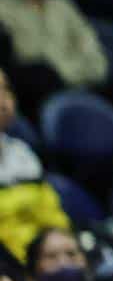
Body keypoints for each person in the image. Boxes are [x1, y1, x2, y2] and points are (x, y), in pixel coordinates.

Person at [0, 69, 66, 262]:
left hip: (42, 259)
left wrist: (62, 246)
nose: (3, 100)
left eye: (6, 90)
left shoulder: (21, 152)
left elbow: (51, 213)